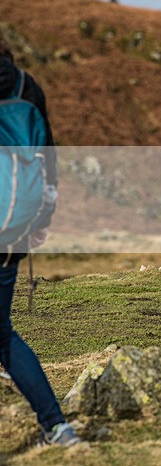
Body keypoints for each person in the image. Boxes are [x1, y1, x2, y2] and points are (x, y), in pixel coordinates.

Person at [0, 40, 80, 446]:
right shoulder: (25, 86)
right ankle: (57, 427)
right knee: (3, 335)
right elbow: (48, 162)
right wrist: (40, 222)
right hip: (13, 229)